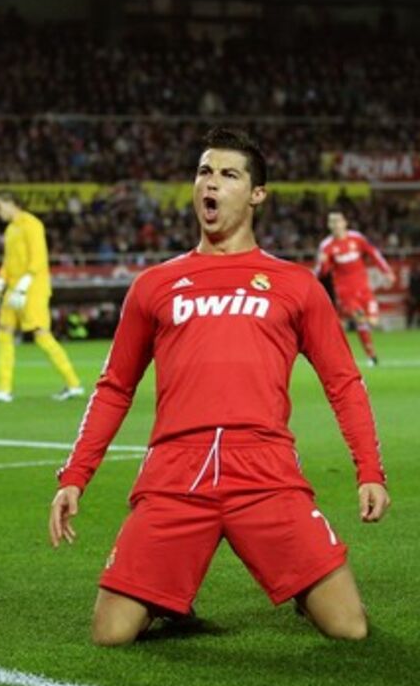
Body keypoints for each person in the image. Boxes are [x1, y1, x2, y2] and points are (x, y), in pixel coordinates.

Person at [49, 128, 390, 646]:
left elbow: (342, 383)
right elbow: (115, 386)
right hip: (176, 470)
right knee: (110, 633)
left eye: (228, 174)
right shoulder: (155, 285)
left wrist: (369, 471)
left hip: (264, 469)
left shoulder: (296, 284)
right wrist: (75, 476)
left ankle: (301, 589)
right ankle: (166, 599)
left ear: (256, 194)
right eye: (204, 172)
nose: (211, 183)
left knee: (349, 627)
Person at [0, 191, 84, 404]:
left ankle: (73, 384)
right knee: (3, 333)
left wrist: (24, 286)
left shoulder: (32, 224)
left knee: (40, 333)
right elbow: (8, 262)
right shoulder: (10, 229)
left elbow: (38, 259)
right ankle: (3, 389)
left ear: (11, 203)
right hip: (13, 288)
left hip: (33, 288)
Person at [315, 211, 395, 366]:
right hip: (345, 292)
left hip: (364, 289)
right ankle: (372, 356)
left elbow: (374, 253)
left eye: (338, 221)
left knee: (372, 322)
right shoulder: (326, 246)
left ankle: (339, 329)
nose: (336, 225)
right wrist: (323, 262)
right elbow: (321, 272)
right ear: (329, 226)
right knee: (360, 319)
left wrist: (387, 272)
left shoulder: (357, 238)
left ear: (345, 223)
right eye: (332, 222)